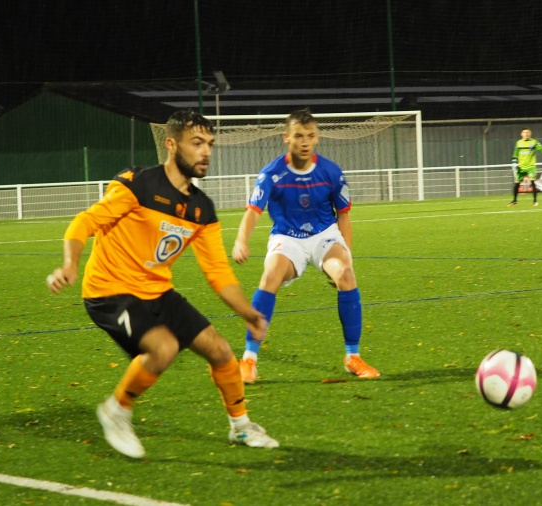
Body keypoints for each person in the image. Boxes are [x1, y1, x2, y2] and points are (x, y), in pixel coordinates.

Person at [46, 109, 278, 458]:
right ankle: (117, 410)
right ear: (171, 144)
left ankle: (241, 427)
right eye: (197, 143)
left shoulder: (202, 209)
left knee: (221, 351)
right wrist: (70, 264)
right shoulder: (137, 185)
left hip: (157, 291)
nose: (206, 152)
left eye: (210, 144)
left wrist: (249, 312)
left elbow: (217, 271)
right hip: (110, 291)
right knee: (163, 348)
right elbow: (85, 222)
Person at [231, 108, 380, 384]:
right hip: (287, 238)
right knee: (270, 276)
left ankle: (353, 357)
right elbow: (253, 211)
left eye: (310, 136)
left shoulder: (331, 172)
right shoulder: (271, 174)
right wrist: (241, 241)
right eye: (298, 136)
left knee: (346, 275)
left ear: (317, 138)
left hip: (324, 235)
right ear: (286, 138)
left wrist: (345, 255)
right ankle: (249, 359)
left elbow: (344, 216)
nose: (304, 141)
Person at [508, 128, 542, 207]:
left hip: (531, 166)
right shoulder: (519, 143)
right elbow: (515, 153)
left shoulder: (534, 142)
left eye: (528, 132)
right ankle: (514, 200)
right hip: (521, 167)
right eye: (525, 132)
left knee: (532, 182)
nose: (527, 134)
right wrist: (514, 162)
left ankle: (535, 201)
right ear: (521, 134)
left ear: (530, 134)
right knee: (517, 183)